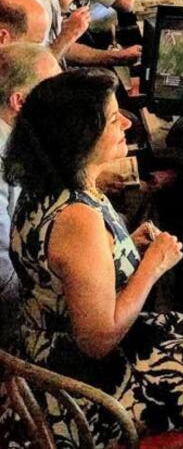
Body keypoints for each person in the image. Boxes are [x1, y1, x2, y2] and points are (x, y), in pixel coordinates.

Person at [5, 70, 183, 442]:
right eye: (112, 119)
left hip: (45, 350)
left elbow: (66, 269)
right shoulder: (77, 218)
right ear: (80, 138)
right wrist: (153, 266)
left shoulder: (45, 184)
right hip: (84, 387)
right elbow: (98, 340)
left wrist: (125, 246)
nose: (126, 122)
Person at [0, 43, 61, 343]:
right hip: (17, 322)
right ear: (19, 102)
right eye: (53, 93)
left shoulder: (14, 138)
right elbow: (3, 272)